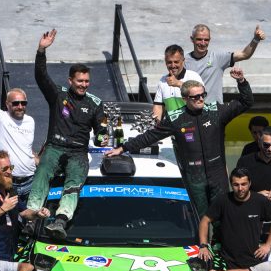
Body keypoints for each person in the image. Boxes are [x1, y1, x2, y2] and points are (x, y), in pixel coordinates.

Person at [106, 68, 253, 219]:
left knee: (222, 217)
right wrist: (123, 148)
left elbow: (247, 102)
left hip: (218, 176)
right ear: (185, 99)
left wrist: (241, 81)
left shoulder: (216, 112)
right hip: (194, 178)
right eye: (195, 97)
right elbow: (150, 136)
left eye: (203, 95)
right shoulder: (176, 119)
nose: (200, 99)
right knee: (199, 218)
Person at [25, 29, 108, 240]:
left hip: (78, 152)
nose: (84, 85)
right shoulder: (58, 94)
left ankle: (60, 220)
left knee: (73, 183)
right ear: (70, 80)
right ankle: (31, 217)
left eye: (86, 81)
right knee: (42, 172)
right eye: (80, 81)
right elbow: (41, 76)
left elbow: (102, 129)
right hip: (55, 147)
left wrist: (102, 137)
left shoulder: (95, 103)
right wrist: (41, 50)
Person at [0, 150, 49, 261]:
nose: (9, 171)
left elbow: (24, 212)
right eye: (5, 169)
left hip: (10, 252)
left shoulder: (10, 190)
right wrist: (3, 209)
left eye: (11, 167)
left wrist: (37, 213)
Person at [0, 61, 37, 202]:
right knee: (8, 213)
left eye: (23, 103)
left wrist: (37, 159)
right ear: (7, 104)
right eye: (15, 103)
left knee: (30, 214)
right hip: (7, 181)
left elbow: (26, 147)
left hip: (30, 181)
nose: (20, 106)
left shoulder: (30, 121)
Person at [184, 23, 265, 104]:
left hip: (215, 109)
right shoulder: (183, 61)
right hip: (193, 108)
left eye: (206, 40)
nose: (203, 43)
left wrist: (256, 40)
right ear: (192, 39)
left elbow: (244, 54)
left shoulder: (217, 58)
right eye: (199, 39)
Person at [152, 44, 204, 121]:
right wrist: (155, 124)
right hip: (172, 125)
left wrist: (178, 83)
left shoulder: (193, 76)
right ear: (165, 62)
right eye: (169, 62)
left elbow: (199, 97)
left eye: (176, 62)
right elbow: (158, 106)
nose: (173, 65)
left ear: (183, 61)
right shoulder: (163, 80)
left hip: (192, 123)